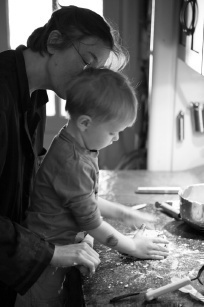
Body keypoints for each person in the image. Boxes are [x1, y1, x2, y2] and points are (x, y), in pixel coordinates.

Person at [0, 5, 130, 307]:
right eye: (87, 63)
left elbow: (33, 179)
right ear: (53, 41)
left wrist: (67, 224)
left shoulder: (35, 94)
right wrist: (52, 253)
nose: (88, 79)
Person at [15, 68, 169, 307]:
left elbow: (82, 198)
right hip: (43, 266)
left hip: (55, 247)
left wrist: (123, 212)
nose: (116, 138)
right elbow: (91, 223)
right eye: (113, 132)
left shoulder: (73, 143)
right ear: (86, 123)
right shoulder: (72, 162)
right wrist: (133, 247)